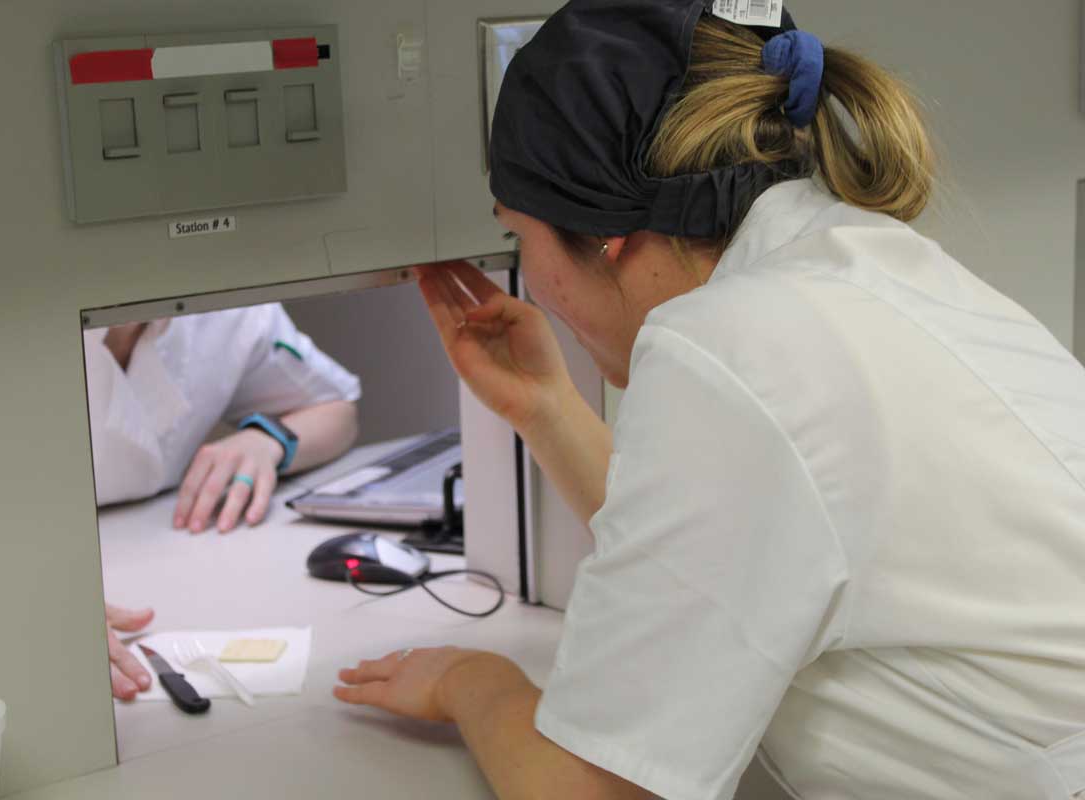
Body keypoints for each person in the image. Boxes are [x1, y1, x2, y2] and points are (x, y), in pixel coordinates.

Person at [332, 2, 1085, 798]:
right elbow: (720, 550)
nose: (535, 283)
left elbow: (593, 793)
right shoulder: (859, 263)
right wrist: (545, 409)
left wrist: (471, 683)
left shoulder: (725, 345)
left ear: (605, 234)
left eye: (521, 237)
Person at [86, 302, 361, 699]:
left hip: (178, 564)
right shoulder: (4, 326)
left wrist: (269, 439)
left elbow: (337, 410)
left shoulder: (223, 308)